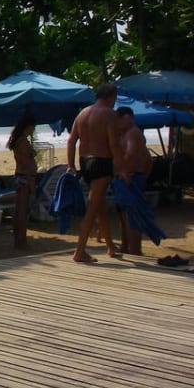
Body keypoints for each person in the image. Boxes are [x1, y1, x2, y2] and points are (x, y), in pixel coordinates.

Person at [66, 83, 127, 262]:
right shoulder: (109, 114)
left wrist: (71, 165)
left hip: (85, 162)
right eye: (115, 98)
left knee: (99, 207)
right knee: (92, 209)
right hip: (101, 162)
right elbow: (113, 144)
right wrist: (121, 167)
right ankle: (79, 251)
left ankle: (110, 247)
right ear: (111, 96)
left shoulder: (83, 113)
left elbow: (71, 141)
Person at [116, 106, 153, 255]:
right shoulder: (124, 134)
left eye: (118, 120)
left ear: (127, 118)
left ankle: (135, 250)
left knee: (133, 217)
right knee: (123, 216)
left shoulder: (133, 132)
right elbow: (148, 157)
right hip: (128, 178)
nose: (117, 123)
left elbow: (131, 153)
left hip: (132, 178)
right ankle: (126, 246)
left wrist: (124, 170)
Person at [8, 113, 38, 249]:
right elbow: (27, 164)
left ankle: (19, 240)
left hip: (21, 176)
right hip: (25, 177)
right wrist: (32, 182)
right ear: (28, 127)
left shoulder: (19, 141)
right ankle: (21, 241)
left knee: (20, 210)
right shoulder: (23, 142)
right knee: (22, 212)